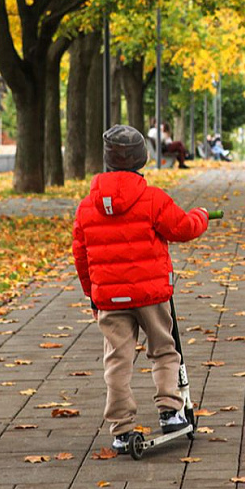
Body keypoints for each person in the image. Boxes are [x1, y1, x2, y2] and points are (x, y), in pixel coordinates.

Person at [72, 125, 210, 454]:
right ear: (142, 160)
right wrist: (201, 216)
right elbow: (182, 228)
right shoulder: (151, 198)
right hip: (151, 295)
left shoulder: (87, 207)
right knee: (163, 350)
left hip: (109, 298)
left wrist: (93, 294)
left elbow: (81, 255)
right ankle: (171, 411)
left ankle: (121, 428)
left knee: (117, 361)